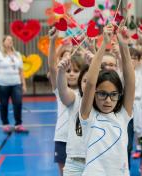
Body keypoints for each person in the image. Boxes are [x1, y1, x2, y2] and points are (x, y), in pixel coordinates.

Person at [79, 24, 135, 175]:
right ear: (95, 94)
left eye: (113, 95)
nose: (108, 100)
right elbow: (90, 83)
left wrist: (124, 46)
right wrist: (104, 43)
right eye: (102, 94)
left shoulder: (123, 115)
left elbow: (130, 82)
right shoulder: (88, 116)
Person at [48, 27, 85, 175]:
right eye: (68, 71)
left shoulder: (87, 91)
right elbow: (52, 67)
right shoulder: (60, 90)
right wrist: (52, 41)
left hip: (82, 139)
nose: (71, 74)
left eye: (76, 71)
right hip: (63, 138)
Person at [0, 35, 27, 133]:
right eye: (8, 39)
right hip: (2, 84)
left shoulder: (17, 54)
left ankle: (18, 125)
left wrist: (23, 84)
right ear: (3, 42)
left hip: (16, 83)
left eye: (11, 40)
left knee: (18, 103)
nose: (10, 41)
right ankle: (5, 124)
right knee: (4, 104)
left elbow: (21, 71)